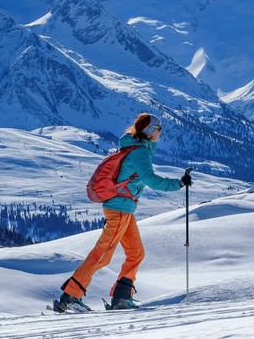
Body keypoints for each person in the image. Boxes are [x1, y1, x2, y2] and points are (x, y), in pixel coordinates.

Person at [57, 113, 193, 311]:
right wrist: (178, 183)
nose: (160, 132)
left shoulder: (136, 148)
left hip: (124, 210)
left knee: (136, 253)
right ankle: (71, 296)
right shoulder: (139, 152)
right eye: (158, 128)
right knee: (103, 255)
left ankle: (122, 297)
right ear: (149, 132)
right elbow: (151, 179)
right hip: (119, 210)